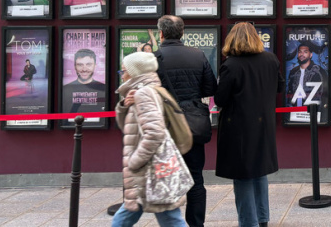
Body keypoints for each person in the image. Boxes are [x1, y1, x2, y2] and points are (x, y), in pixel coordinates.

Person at [215, 23, 284, 227]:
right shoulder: (271, 59)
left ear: (232, 40)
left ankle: (248, 222)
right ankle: (262, 219)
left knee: (242, 175)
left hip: (239, 128)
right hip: (264, 125)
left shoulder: (231, 65)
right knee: (259, 171)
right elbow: (279, 86)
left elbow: (220, 99)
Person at [153, 15, 217, 227]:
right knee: (196, 179)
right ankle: (196, 224)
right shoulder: (197, 55)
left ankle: (173, 223)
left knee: (168, 179)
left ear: (161, 33)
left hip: (165, 126)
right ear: (182, 33)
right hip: (192, 125)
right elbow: (210, 89)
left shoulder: (155, 58)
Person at [111, 51, 186, 227]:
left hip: (148, 170)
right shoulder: (141, 92)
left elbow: (155, 133)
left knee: (168, 218)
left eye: (124, 71)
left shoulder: (144, 93)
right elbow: (130, 129)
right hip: (150, 171)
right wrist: (123, 106)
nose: (122, 75)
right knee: (164, 216)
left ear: (136, 73)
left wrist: (135, 161)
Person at [286, 41, 328, 119]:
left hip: (314, 114)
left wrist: (322, 115)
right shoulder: (293, 71)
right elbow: (290, 93)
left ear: (311, 55)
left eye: (305, 52)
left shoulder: (319, 71)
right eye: (300, 52)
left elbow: (325, 95)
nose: (302, 54)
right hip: (295, 115)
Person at [63, 49, 107, 113]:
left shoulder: (104, 89)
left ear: (95, 66)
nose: (84, 69)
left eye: (88, 64)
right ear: (75, 66)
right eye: (80, 65)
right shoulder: (65, 90)